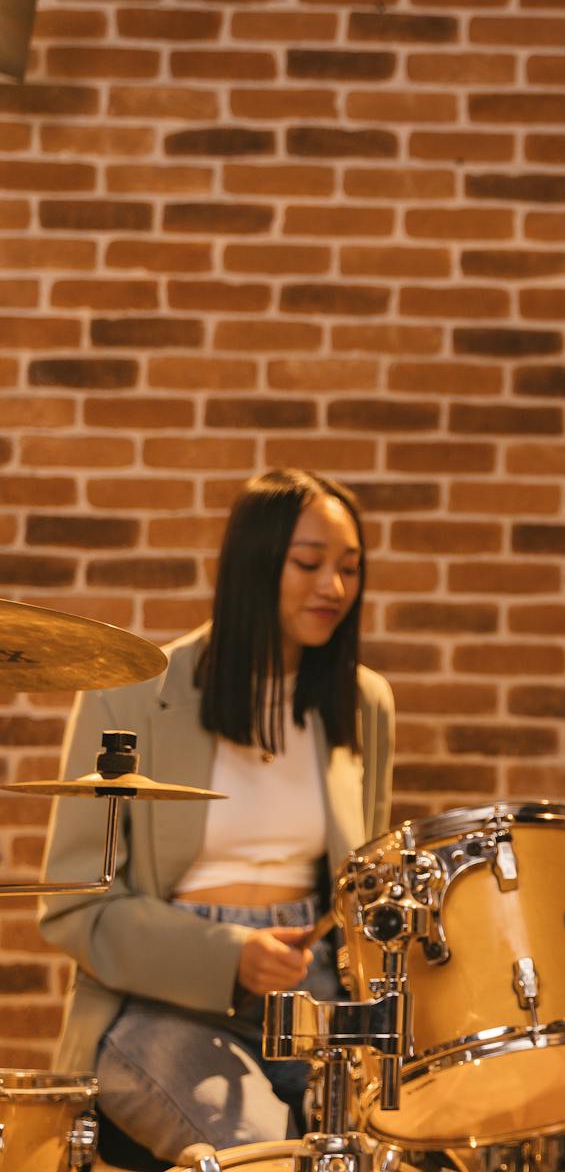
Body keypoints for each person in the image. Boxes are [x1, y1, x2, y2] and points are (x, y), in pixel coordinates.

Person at [39, 469, 394, 1162]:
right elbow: (76, 908)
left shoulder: (364, 702)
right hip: (158, 1005)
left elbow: (363, 887)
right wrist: (228, 956)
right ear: (254, 563)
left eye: (350, 570)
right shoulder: (131, 695)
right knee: (264, 1154)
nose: (335, 589)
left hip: (313, 997)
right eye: (309, 564)